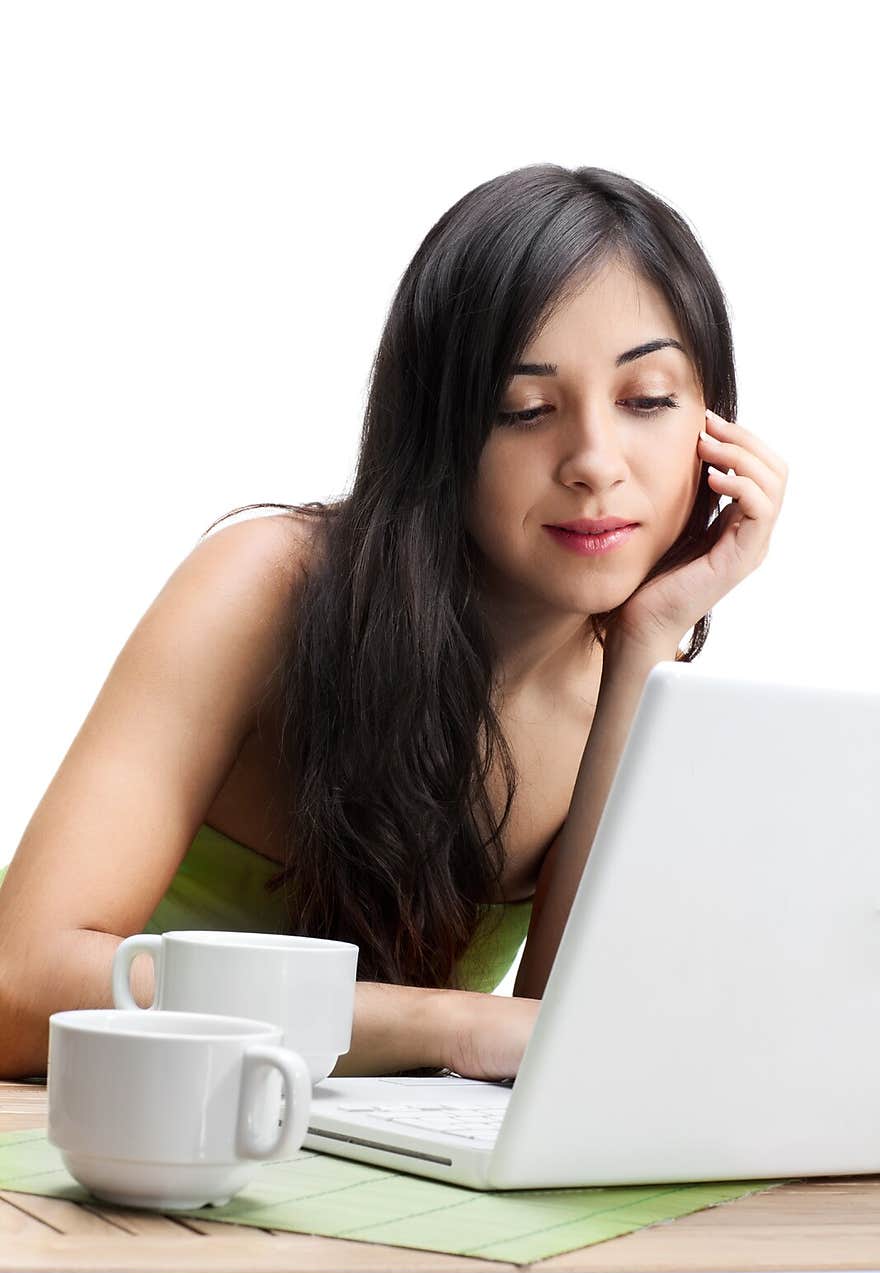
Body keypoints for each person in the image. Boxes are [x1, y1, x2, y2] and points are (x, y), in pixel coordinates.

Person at [0, 163, 787, 1081]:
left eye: (647, 399)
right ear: (438, 432)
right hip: (98, 1136)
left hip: (340, 1182)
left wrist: (651, 640)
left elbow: (554, 1058)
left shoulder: (633, 685)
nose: (594, 463)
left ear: (713, 422)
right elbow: (20, 987)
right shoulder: (266, 587)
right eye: (524, 409)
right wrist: (447, 1025)